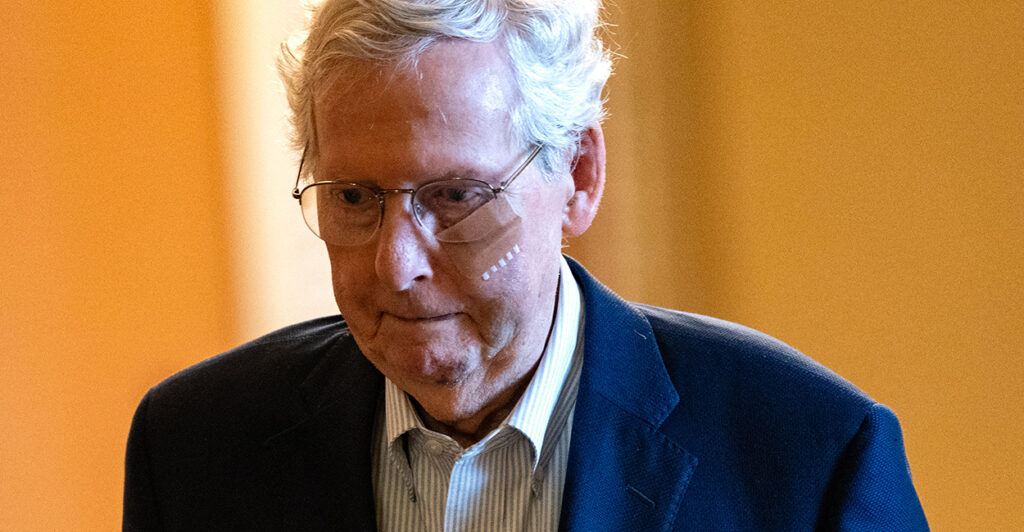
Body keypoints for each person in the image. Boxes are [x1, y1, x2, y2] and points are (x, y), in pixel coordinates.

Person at [123, 1, 928, 530]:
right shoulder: (196, 452)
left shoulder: (808, 461)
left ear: (579, 176)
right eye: (355, 196)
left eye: (455, 195)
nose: (394, 262)